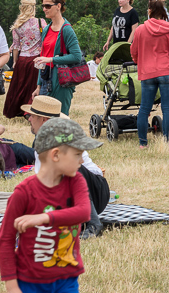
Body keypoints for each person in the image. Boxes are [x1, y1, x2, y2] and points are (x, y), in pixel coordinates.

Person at [0, 118, 100, 293]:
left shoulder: (76, 180)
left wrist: (43, 218)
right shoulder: (23, 193)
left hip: (66, 282)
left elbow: (83, 212)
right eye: (78, 154)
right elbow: (5, 241)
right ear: (56, 155)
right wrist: (12, 289)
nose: (81, 161)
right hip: (29, 284)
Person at [22, 95, 109, 239]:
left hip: (94, 191)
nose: (29, 119)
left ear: (44, 120)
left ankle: (94, 224)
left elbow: (89, 170)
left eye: (31, 116)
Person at [129, 0, 169, 148]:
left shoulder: (140, 30)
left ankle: (143, 143)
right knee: (167, 109)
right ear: (163, 11)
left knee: (144, 108)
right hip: (168, 71)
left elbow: (133, 51)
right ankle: (167, 141)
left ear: (149, 11)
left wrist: (140, 62)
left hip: (148, 72)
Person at [30, 0, 84, 116]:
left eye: (48, 6)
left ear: (58, 6)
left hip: (61, 81)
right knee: (43, 119)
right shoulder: (46, 29)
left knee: (60, 119)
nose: (44, 9)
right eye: (43, 6)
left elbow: (76, 56)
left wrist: (51, 60)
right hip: (45, 79)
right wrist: (38, 85)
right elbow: (42, 59)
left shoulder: (66, 29)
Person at [4, 0, 46, 119]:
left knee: (20, 85)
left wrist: (15, 61)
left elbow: (16, 46)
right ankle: (31, 110)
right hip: (38, 58)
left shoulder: (18, 25)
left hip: (23, 58)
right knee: (35, 84)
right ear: (34, 7)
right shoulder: (40, 22)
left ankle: (17, 109)